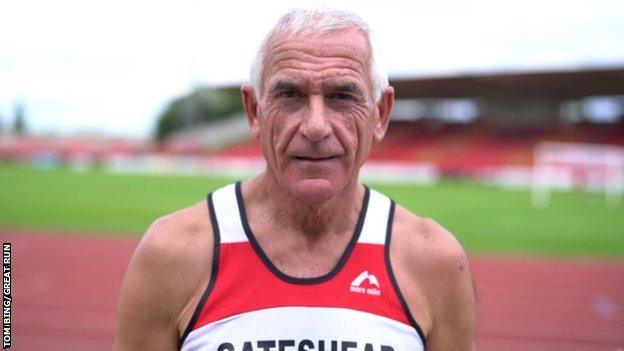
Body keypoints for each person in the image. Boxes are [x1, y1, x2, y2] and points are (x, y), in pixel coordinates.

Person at [114, 7, 475, 351]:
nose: (316, 127)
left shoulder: (434, 262)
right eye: (289, 95)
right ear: (254, 111)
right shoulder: (171, 254)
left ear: (380, 114)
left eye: (342, 96)